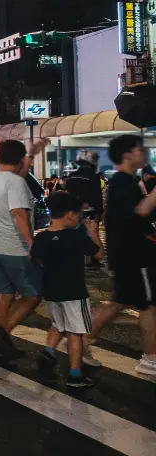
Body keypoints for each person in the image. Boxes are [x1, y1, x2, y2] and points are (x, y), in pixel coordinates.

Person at [88, 134, 156, 376]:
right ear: (128, 154)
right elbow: (142, 210)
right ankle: (150, 359)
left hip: (127, 255)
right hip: (135, 257)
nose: (143, 152)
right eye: (139, 149)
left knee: (117, 303)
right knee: (147, 306)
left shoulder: (124, 181)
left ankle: (80, 341)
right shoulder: (122, 182)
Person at [0, 138, 46, 361]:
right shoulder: (17, 183)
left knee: (4, 295)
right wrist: (31, 244)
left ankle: (3, 344)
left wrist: (31, 154)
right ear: (19, 160)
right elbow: (19, 214)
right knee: (33, 294)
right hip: (14, 249)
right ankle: (3, 330)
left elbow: (16, 176)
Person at [31, 190, 101, 388]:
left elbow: (34, 259)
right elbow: (100, 254)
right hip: (75, 292)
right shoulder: (76, 237)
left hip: (52, 292)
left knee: (58, 325)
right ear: (70, 214)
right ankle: (75, 374)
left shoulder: (41, 237)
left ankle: (49, 353)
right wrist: (93, 233)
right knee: (76, 332)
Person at [65, 151, 105, 260]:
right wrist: (99, 212)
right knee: (91, 233)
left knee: (74, 233)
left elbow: (67, 194)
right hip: (89, 210)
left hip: (72, 210)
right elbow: (97, 197)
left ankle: (76, 256)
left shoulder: (70, 176)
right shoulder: (93, 176)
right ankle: (93, 257)